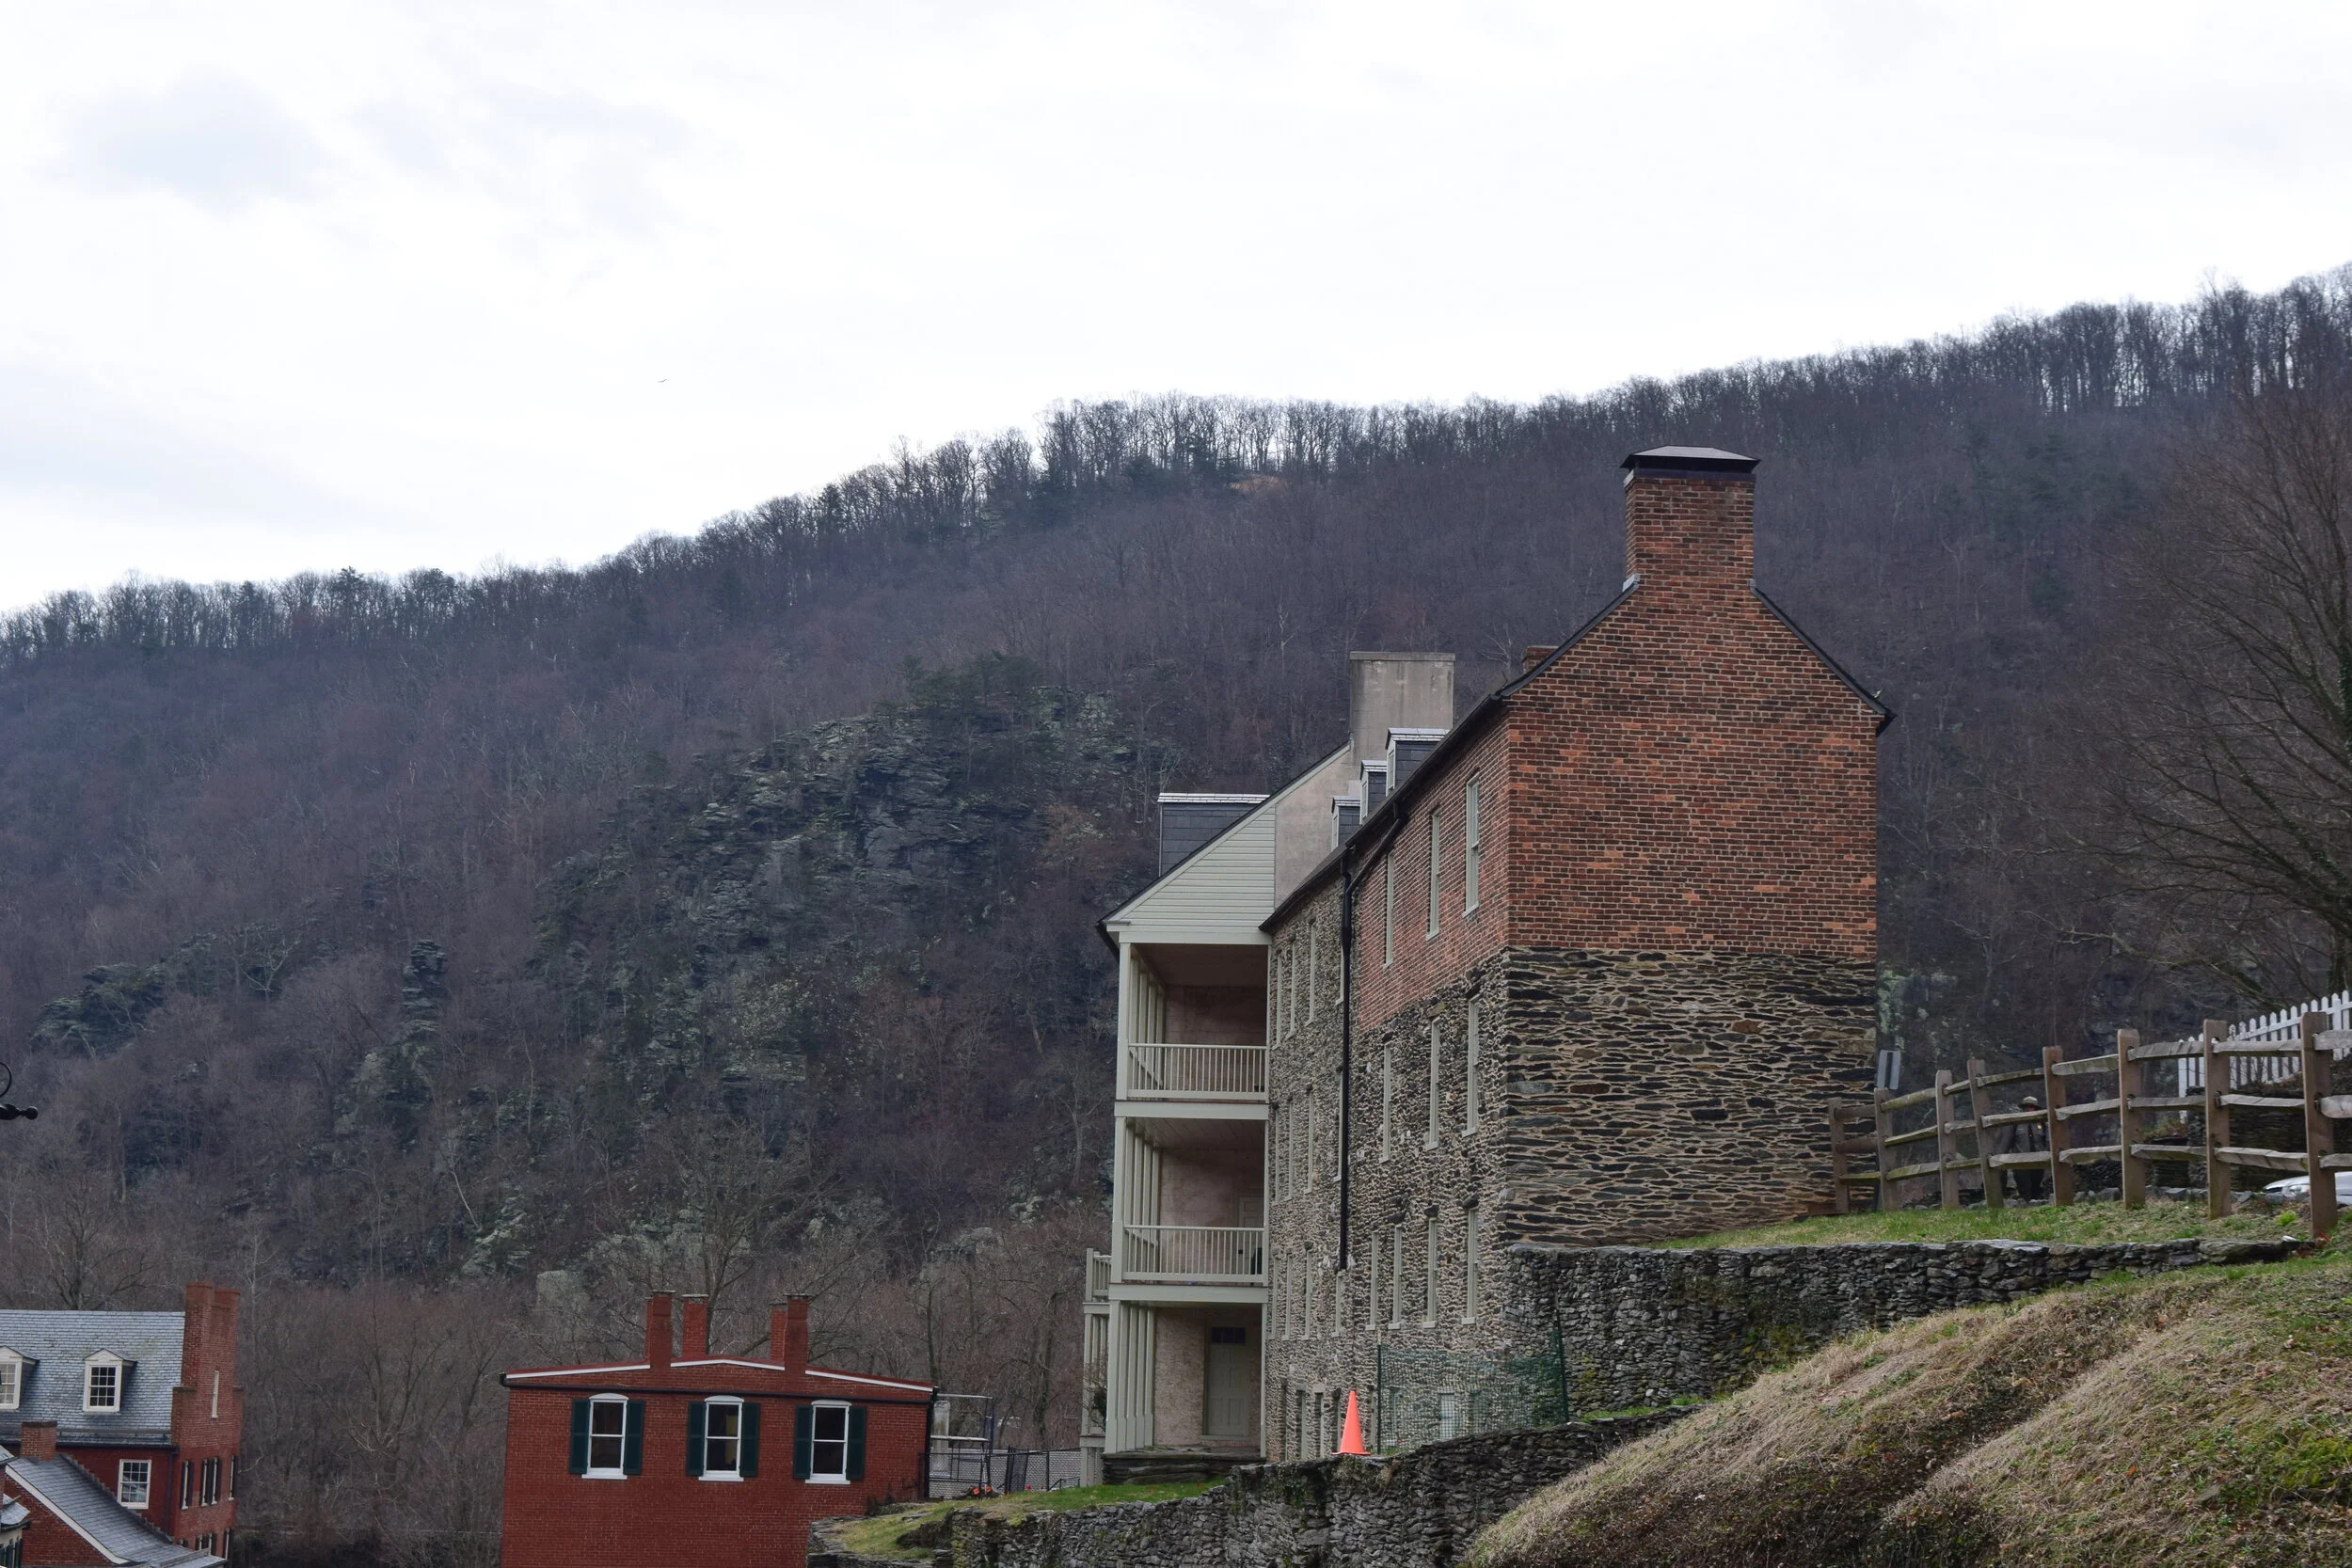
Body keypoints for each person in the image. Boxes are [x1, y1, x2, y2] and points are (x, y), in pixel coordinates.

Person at [1992, 1096, 2050, 1202]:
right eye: (2026, 1107)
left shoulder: (2042, 1123)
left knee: (2036, 1187)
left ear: (2035, 1108)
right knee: (2024, 1189)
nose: (2028, 1109)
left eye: (2031, 1107)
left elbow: (2048, 1141)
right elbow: (2007, 1141)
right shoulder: (2015, 1123)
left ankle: (2035, 1205)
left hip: (2038, 1160)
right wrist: (1999, 1158)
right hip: (2020, 1162)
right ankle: (2024, 1205)